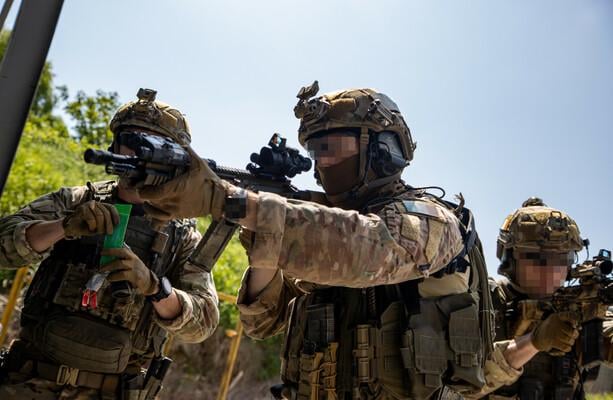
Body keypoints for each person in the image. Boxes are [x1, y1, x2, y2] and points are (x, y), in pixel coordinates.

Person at [132, 82, 519, 399]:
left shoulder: (433, 219)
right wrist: (261, 235)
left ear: (383, 150)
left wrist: (236, 202)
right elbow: (262, 323)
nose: (322, 164)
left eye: (333, 150)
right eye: (316, 152)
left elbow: (369, 250)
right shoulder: (317, 227)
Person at [0, 89, 219, 399]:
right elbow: (4, 245)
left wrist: (154, 288)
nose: (138, 152)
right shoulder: (76, 200)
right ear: (114, 146)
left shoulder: (182, 236)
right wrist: (64, 227)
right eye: (130, 140)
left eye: (151, 143)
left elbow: (203, 321)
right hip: (30, 382)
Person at [475, 198, 613, 399]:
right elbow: (462, 384)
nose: (551, 271)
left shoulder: (578, 306)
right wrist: (533, 342)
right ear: (510, 259)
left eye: (561, 260)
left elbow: (607, 329)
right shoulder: (482, 301)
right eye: (538, 259)